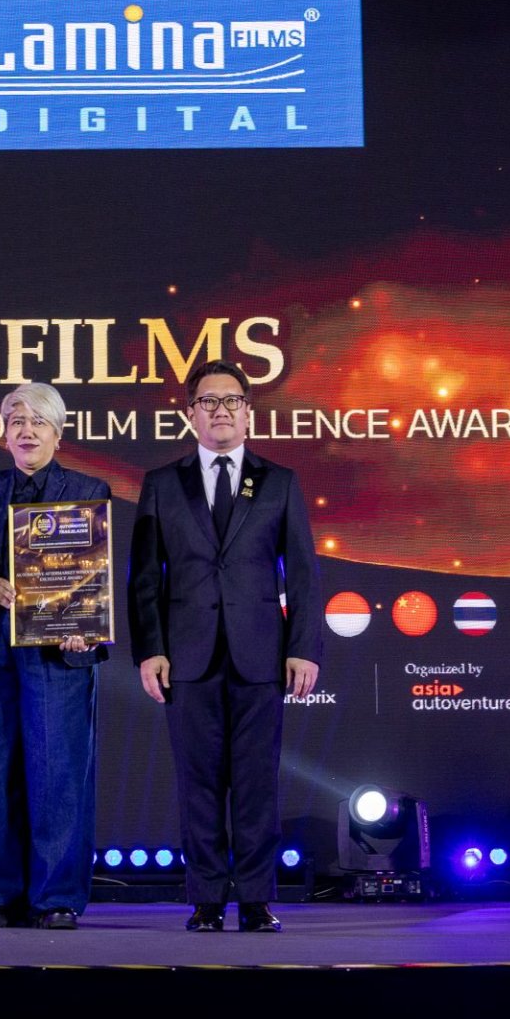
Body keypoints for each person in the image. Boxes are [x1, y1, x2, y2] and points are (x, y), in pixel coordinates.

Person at [129, 360, 321, 933]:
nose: (220, 411)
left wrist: (303, 646)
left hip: (261, 654)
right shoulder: (163, 483)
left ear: (248, 413)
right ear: (190, 413)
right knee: (199, 784)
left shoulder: (279, 482)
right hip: (186, 657)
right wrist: (150, 648)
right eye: (208, 401)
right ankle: (207, 899)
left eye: (232, 401)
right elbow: (145, 578)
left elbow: (303, 573)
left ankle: (257, 900)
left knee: (257, 782)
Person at [0, 382, 111, 929]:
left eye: (38, 421)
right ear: (4, 433)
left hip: (59, 654)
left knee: (58, 774)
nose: (27, 431)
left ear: (58, 434)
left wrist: (86, 628)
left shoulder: (88, 489)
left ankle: (56, 897)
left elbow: (95, 576)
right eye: (16, 421)